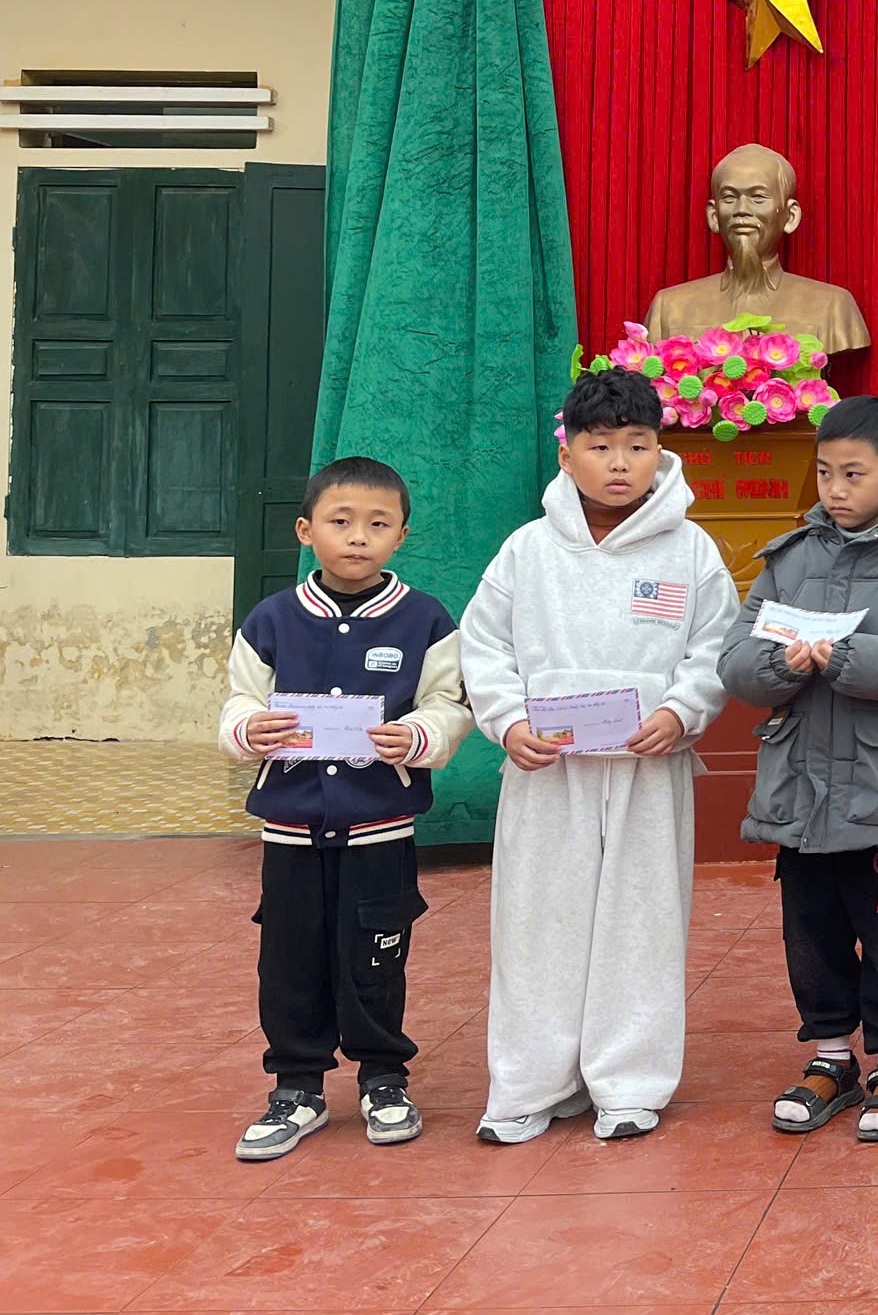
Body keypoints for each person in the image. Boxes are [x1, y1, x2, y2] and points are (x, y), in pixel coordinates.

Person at [462, 368, 738, 1144]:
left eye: (637, 446)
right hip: (548, 768)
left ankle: (630, 1081)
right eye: (601, 446)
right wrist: (508, 722)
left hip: (648, 766)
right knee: (535, 922)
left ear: (662, 452)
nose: (620, 463)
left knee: (642, 921)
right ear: (567, 454)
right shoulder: (527, 550)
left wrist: (680, 712)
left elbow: (716, 647)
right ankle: (529, 1085)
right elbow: (483, 646)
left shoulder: (690, 550)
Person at [717, 395, 878, 1144]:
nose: (835, 489)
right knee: (812, 931)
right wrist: (782, 664)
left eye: (853, 474)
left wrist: (845, 656)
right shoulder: (791, 559)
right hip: (800, 787)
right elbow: (736, 659)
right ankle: (831, 1058)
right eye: (825, 472)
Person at [220, 457, 472, 1162]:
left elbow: (448, 705)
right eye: (340, 521)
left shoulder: (425, 619)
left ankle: (384, 1079)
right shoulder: (272, 619)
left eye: (378, 524)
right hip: (291, 830)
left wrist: (417, 736)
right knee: (290, 957)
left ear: (402, 536)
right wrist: (249, 730)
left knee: (376, 954)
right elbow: (238, 703)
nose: (358, 536)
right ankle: (296, 1087)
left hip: (380, 827)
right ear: (306, 530)